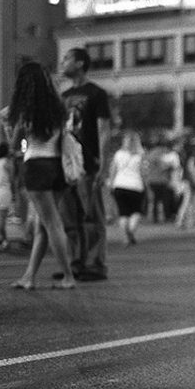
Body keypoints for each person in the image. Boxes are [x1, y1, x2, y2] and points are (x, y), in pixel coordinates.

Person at [7, 62, 76, 290]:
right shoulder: (58, 107)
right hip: (57, 167)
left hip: (36, 166)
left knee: (52, 224)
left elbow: (14, 145)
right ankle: (29, 277)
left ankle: (68, 276)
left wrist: (10, 127)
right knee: (43, 226)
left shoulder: (25, 110)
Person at [59, 47, 111, 281]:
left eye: (67, 58)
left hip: (89, 162)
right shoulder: (64, 95)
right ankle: (74, 263)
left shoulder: (96, 93)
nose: (62, 62)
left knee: (91, 217)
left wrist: (103, 165)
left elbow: (104, 130)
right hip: (68, 164)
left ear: (80, 63)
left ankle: (95, 264)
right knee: (70, 218)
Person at [107, 131, 146, 247]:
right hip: (135, 185)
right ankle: (130, 231)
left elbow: (113, 170)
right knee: (136, 212)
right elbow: (143, 172)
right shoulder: (140, 154)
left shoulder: (118, 154)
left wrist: (111, 183)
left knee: (123, 213)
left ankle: (125, 236)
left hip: (119, 184)